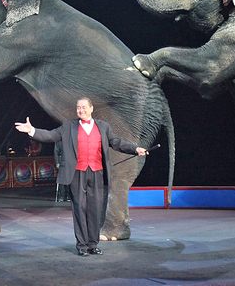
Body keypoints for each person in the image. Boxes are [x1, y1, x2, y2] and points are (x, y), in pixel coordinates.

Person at [15, 97, 147, 256]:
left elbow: (117, 142)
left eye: (84, 107)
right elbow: (50, 136)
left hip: (97, 172)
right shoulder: (68, 126)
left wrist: (135, 149)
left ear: (91, 109)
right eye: (78, 108)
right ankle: (82, 246)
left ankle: (93, 245)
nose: (81, 110)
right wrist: (32, 130)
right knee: (79, 208)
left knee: (95, 210)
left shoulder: (103, 126)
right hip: (77, 173)